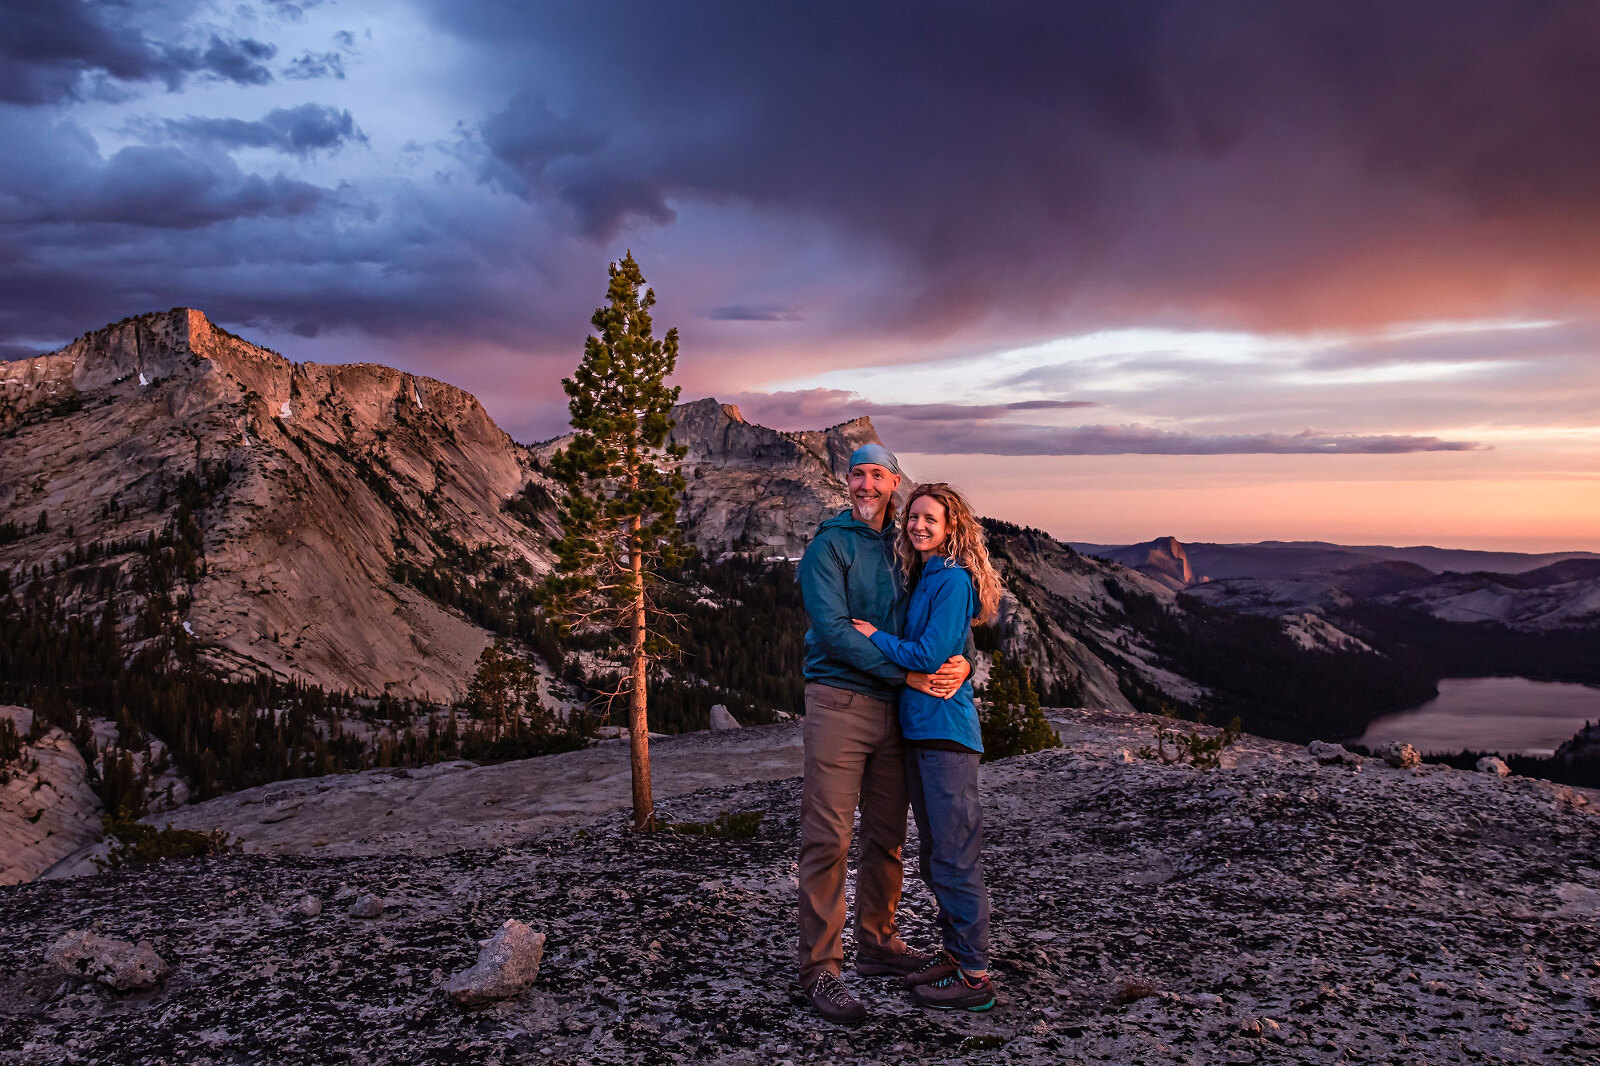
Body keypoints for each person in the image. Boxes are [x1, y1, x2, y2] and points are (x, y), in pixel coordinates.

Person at [796, 444, 972, 1024]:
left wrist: (965, 659)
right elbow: (834, 633)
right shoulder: (829, 546)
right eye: (858, 474)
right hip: (840, 702)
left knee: (886, 834)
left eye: (878, 475)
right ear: (847, 481)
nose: (867, 484)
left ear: (894, 482)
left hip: (898, 709)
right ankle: (822, 964)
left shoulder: (906, 549)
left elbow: (939, 618)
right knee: (829, 837)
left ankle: (877, 941)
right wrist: (912, 674)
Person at [851, 482, 1002, 1012]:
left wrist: (873, 636)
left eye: (930, 519)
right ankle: (957, 954)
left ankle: (976, 977)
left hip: (946, 735)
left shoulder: (953, 579)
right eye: (913, 517)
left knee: (955, 854)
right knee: (937, 854)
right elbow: (954, 646)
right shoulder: (927, 578)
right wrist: (965, 657)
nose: (918, 525)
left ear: (951, 526)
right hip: (921, 732)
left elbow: (928, 653)